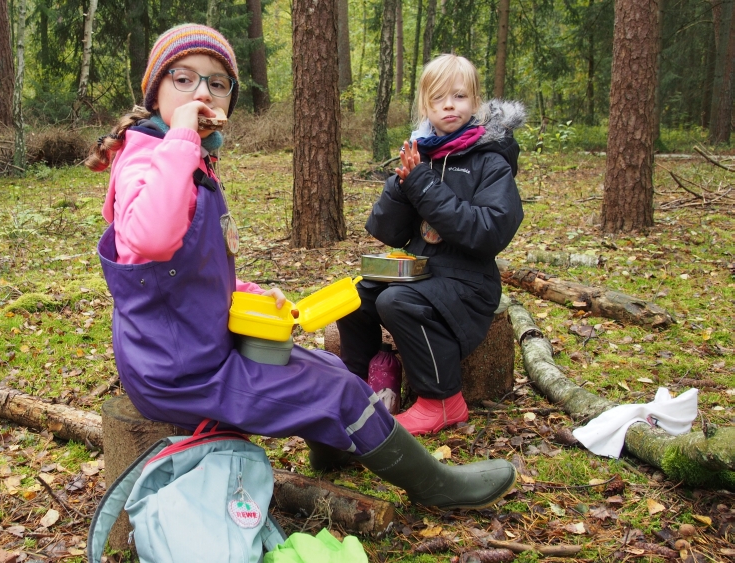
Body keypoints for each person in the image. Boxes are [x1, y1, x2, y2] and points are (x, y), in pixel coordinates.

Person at [89, 25, 516, 510]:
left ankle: (333, 456)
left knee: (332, 366)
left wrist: (246, 291)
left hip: (193, 345)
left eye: (217, 82)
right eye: (183, 79)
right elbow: (150, 239)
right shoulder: (151, 160)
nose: (202, 92)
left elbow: (185, 269)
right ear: (155, 90)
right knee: (339, 391)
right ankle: (436, 486)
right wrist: (184, 135)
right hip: (179, 370)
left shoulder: (184, 156)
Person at [337, 54, 526, 436]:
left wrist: (421, 183)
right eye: (438, 98)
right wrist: (402, 183)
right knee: (354, 297)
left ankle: (441, 401)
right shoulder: (423, 152)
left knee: (396, 302)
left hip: (469, 284)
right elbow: (388, 232)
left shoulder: (490, 160)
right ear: (426, 105)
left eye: (458, 96)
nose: (449, 105)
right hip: (421, 272)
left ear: (475, 101)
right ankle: (359, 387)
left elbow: (490, 230)